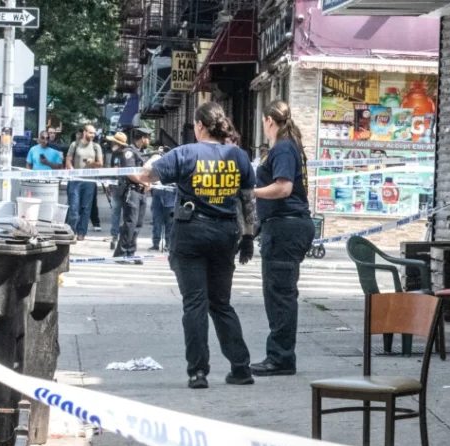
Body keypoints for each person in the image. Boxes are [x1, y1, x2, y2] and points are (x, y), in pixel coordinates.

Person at [135, 102, 257, 389]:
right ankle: (241, 367)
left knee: (195, 304)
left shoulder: (185, 153)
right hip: (225, 233)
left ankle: (198, 372)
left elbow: (146, 176)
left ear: (200, 126)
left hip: (191, 232)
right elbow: (248, 201)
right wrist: (248, 235)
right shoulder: (238, 156)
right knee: (221, 303)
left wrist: (152, 159)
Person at [251, 100, 315, 377]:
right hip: (285, 227)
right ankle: (280, 355)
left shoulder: (283, 147)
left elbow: (283, 187)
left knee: (280, 294)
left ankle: (280, 357)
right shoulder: (287, 146)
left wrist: (250, 192)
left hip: (286, 228)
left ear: (269, 121)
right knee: (280, 292)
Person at [114, 127, 153, 262]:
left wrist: (148, 183)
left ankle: (131, 252)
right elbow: (130, 173)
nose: (149, 141)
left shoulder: (141, 152)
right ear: (143, 138)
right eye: (148, 138)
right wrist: (144, 182)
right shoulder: (129, 152)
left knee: (138, 224)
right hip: (132, 191)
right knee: (130, 223)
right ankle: (121, 254)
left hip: (141, 192)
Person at [65, 122, 104, 241]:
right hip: (75, 180)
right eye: (91, 132)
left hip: (89, 182)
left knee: (86, 208)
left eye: (94, 133)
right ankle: (72, 231)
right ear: (85, 132)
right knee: (74, 207)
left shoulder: (96, 147)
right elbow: (68, 160)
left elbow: (100, 164)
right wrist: (71, 170)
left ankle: (82, 232)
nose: (93, 135)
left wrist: (92, 163)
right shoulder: (75, 144)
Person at [150, 145, 177, 251]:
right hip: (157, 195)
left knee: (169, 222)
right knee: (156, 220)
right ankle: (155, 243)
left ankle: (168, 244)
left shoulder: (175, 165)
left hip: (170, 197)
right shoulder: (156, 164)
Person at [106, 131, 128, 251]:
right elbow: (112, 170)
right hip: (116, 186)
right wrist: (109, 183)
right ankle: (114, 235)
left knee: (126, 213)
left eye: (114, 142)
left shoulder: (127, 154)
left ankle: (124, 235)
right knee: (115, 211)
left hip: (126, 187)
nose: (112, 143)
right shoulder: (114, 154)